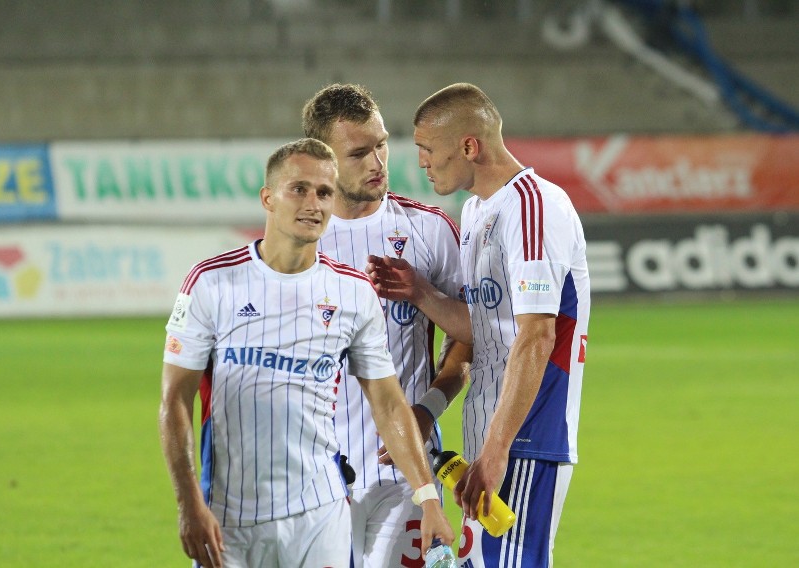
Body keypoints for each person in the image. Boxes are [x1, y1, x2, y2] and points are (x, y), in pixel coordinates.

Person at [158, 138, 454, 568]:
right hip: (230, 518)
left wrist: (428, 498)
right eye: (299, 189)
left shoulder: (353, 293)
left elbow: (389, 405)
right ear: (268, 198)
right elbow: (175, 401)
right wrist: (188, 504)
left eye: (324, 192)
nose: (313, 203)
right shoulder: (211, 283)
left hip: (322, 515)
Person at [367, 83, 591, 567]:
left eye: (428, 150)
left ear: (469, 146)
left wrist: (496, 450)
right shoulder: (475, 211)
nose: (421, 162)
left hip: (527, 437)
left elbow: (537, 334)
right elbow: (485, 328)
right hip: (492, 435)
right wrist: (421, 293)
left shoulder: (534, 206)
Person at [302, 83, 472, 567]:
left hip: (406, 472)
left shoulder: (429, 230)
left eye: (382, 144)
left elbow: (468, 337)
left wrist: (428, 410)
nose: (378, 162)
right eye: (359, 153)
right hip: (318, 473)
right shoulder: (297, 244)